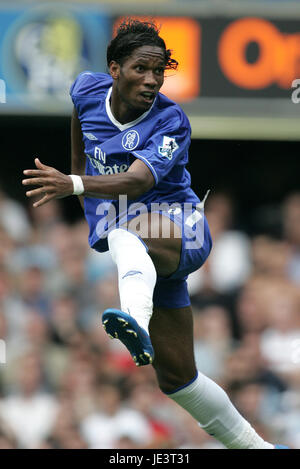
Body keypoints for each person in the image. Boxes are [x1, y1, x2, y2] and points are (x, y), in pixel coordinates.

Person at [23, 19, 287, 449]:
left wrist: (73, 184)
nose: (152, 80)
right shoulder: (86, 90)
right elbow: (81, 126)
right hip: (141, 255)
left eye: (159, 71)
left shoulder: (170, 119)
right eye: (141, 69)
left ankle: (136, 321)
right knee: (178, 380)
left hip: (182, 228)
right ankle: (260, 449)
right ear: (114, 69)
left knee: (129, 234)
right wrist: (76, 175)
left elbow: (137, 181)